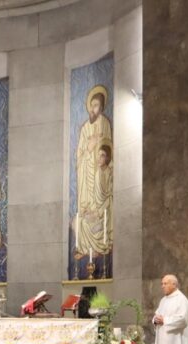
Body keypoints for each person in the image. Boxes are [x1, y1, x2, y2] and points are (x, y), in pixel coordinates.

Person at [73, 86, 113, 256]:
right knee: (81, 219)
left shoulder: (105, 124)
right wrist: (89, 149)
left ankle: (100, 247)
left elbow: (109, 152)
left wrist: (99, 155)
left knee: (98, 214)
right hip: (86, 178)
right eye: (91, 105)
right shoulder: (84, 129)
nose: (92, 109)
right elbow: (79, 157)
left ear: (101, 107)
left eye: (96, 105)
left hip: (100, 179)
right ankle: (84, 248)